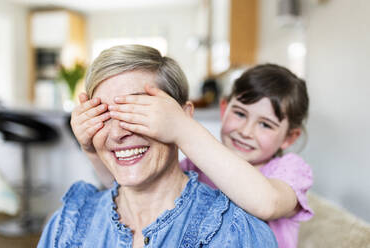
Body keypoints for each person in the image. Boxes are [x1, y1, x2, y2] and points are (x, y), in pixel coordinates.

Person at [38, 45, 277, 248]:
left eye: (137, 113)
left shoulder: (235, 233)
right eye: (105, 115)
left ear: (184, 117)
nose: (119, 133)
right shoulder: (66, 226)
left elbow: (269, 202)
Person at [72, 61, 313, 248]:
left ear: (290, 137)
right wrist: (92, 150)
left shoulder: (291, 170)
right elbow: (123, 187)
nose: (245, 131)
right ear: (223, 107)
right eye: (239, 114)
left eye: (266, 125)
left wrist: (181, 128)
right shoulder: (195, 167)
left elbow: (267, 203)